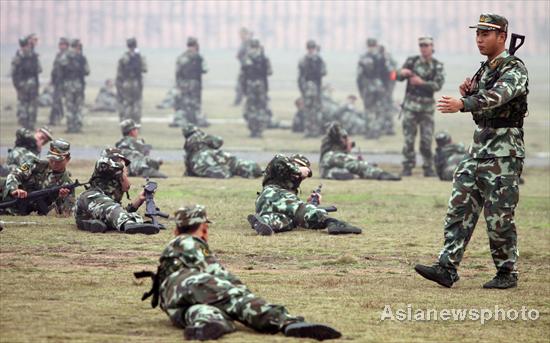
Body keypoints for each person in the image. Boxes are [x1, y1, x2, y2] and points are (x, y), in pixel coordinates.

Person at [415, 14, 528, 289]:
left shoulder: (514, 68)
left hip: (504, 152)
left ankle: (506, 273)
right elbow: (484, 100)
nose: (479, 39)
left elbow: (498, 97)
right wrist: (471, 89)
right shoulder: (486, 68)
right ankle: (447, 267)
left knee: (499, 216)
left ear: (502, 36)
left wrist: (464, 102)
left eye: (486, 34)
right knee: (459, 207)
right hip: (478, 148)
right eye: (477, 34)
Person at [135, 204, 342, 341]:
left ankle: (207, 324)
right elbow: (218, 275)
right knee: (236, 300)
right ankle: (286, 322)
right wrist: (244, 293)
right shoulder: (189, 242)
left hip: (171, 301)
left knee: (200, 309)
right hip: (187, 283)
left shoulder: (173, 244)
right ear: (203, 227)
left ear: (176, 228)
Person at [248, 154, 363, 235]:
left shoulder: (290, 187)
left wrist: (312, 202)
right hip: (273, 193)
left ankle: (265, 221)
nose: (301, 177)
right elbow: (278, 159)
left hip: (265, 204)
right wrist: (298, 170)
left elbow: (291, 206)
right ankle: (332, 222)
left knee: (290, 221)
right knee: (302, 211)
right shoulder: (278, 168)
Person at [74, 148, 159, 234]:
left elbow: (117, 210)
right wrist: (122, 167)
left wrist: (138, 201)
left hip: (100, 211)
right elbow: (102, 163)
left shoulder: (118, 177)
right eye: (121, 161)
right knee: (108, 206)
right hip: (88, 200)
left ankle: (97, 224)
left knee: (113, 212)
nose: (125, 166)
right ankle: (128, 223)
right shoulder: (103, 166)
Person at [396, 37, 445, 177]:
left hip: (426, 109)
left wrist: (421, 83)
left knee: (426, 141)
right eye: (421, 45)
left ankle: (428, 167)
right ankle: (407, 166)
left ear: (432, 47)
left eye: (426, 45)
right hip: (410, 107)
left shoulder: (437, 65)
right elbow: (395, 76)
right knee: (408, 140)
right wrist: (401, 73)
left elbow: (438, 85)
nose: (423, 48)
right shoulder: (412, 61)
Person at [1, 139, 75, 216]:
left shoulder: (67, 185)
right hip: (8, 200)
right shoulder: (35, 164)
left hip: (23, 212)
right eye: (51, 159)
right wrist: (14, 189)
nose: (54, 163)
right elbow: (14, 174)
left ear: (68, 159)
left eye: (58, 161)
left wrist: (61, 198)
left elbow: (67, 213)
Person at [320, 122, 401, 181]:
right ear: (342, 141)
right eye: (347, 139)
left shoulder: (331, 155)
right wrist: (381, 174)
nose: (350, 143)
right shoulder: (334, 156)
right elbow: (357, 167)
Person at [183, 125, 262, 179]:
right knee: (235, 164)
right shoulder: (202, 135)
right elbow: (219, 141)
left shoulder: (187, 142)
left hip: (198, 159)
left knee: (203, 170)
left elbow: (188, 159)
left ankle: (221, 171)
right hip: (213, 154)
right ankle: (252, 170)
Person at [170, 37, 208, 128]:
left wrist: (178, 85)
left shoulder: (181, 57)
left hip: (184, 84)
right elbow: (205, 69)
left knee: (184, 103)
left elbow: (177, 73)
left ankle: (183, 121)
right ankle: (196, 121)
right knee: (195, 104)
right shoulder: (198, 57)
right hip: (195, 84)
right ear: (196, 45)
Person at [356, 38, 389, 139]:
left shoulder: (363, 58)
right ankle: (376, 131)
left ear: (367, 45)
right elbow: (386, 74)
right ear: (376, 45)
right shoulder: (381, 57)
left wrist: (361, 89)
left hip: (367, 86)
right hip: (379, 86)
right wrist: (386, 88)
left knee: (368, 110)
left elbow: (359, 76)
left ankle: (369, 132)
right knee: (379, 111)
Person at [241, 39, 272, 138]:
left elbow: (243, 74)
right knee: (261, 108)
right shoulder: (263, 58)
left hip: (250, 84)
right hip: (261, 84)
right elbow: (269, 72)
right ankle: (259, 130)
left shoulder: (246, 58)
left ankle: (253, 130)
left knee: (251, 108)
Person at [59, 39, 90, 133]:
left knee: (69, 106)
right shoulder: (81, 57)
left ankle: (70, 127)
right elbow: (87, 71)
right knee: (78, 107)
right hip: (78, 84)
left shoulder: (65, 56)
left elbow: (60, 69)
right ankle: (78, 127)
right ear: (77, 46)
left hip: (68, 84)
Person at [11, 36, 41, 129]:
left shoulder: (17, 56)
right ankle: (31, 124)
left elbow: (13, 73)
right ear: (28, 44)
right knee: (32, 105)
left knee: (23, 104)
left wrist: (17, 85)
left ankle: (24, 124)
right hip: (32, 83)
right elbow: (39, 69)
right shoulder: (33, 56)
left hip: (22, 84)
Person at [298, 40, 326, 137]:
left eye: (311, 48)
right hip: (311, 87)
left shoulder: (313, 59)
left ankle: (312, 131)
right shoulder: (312, 59)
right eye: (311, 48)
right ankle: (311, 130)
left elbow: (323, 72)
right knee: (311, 110)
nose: (311, 50)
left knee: (313, 110)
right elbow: (301, 76)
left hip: (312, 87)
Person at [116, 38, 147, 123]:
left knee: (127, 103)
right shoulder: (140, 57)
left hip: (126, 83)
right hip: (137, 83)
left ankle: (127, 124)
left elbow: (119, 73)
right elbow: (145, 69)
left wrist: (119, 85)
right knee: (137, 104)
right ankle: (136, 124)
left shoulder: (123, 57)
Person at [49, 37, 69, 125]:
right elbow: (55, 69)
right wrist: (52, 79)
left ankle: (67, 119)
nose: (61, 46)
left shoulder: (69, 55)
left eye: (63, 44)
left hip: (66, 82)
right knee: (56, 101)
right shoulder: (58, 55)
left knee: (68, 102)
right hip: (58, 82)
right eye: (60, 44)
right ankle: (55, 118)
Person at [234, 27, 252, 106]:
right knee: (240, 86)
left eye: (241, 34)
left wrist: (241, 57)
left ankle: (240, 101)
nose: (240, 36)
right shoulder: (244, 43)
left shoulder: (248, 43)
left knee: (242, 85)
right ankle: (239, 101)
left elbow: (248, 55)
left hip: (247, 68)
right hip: (244, 67)